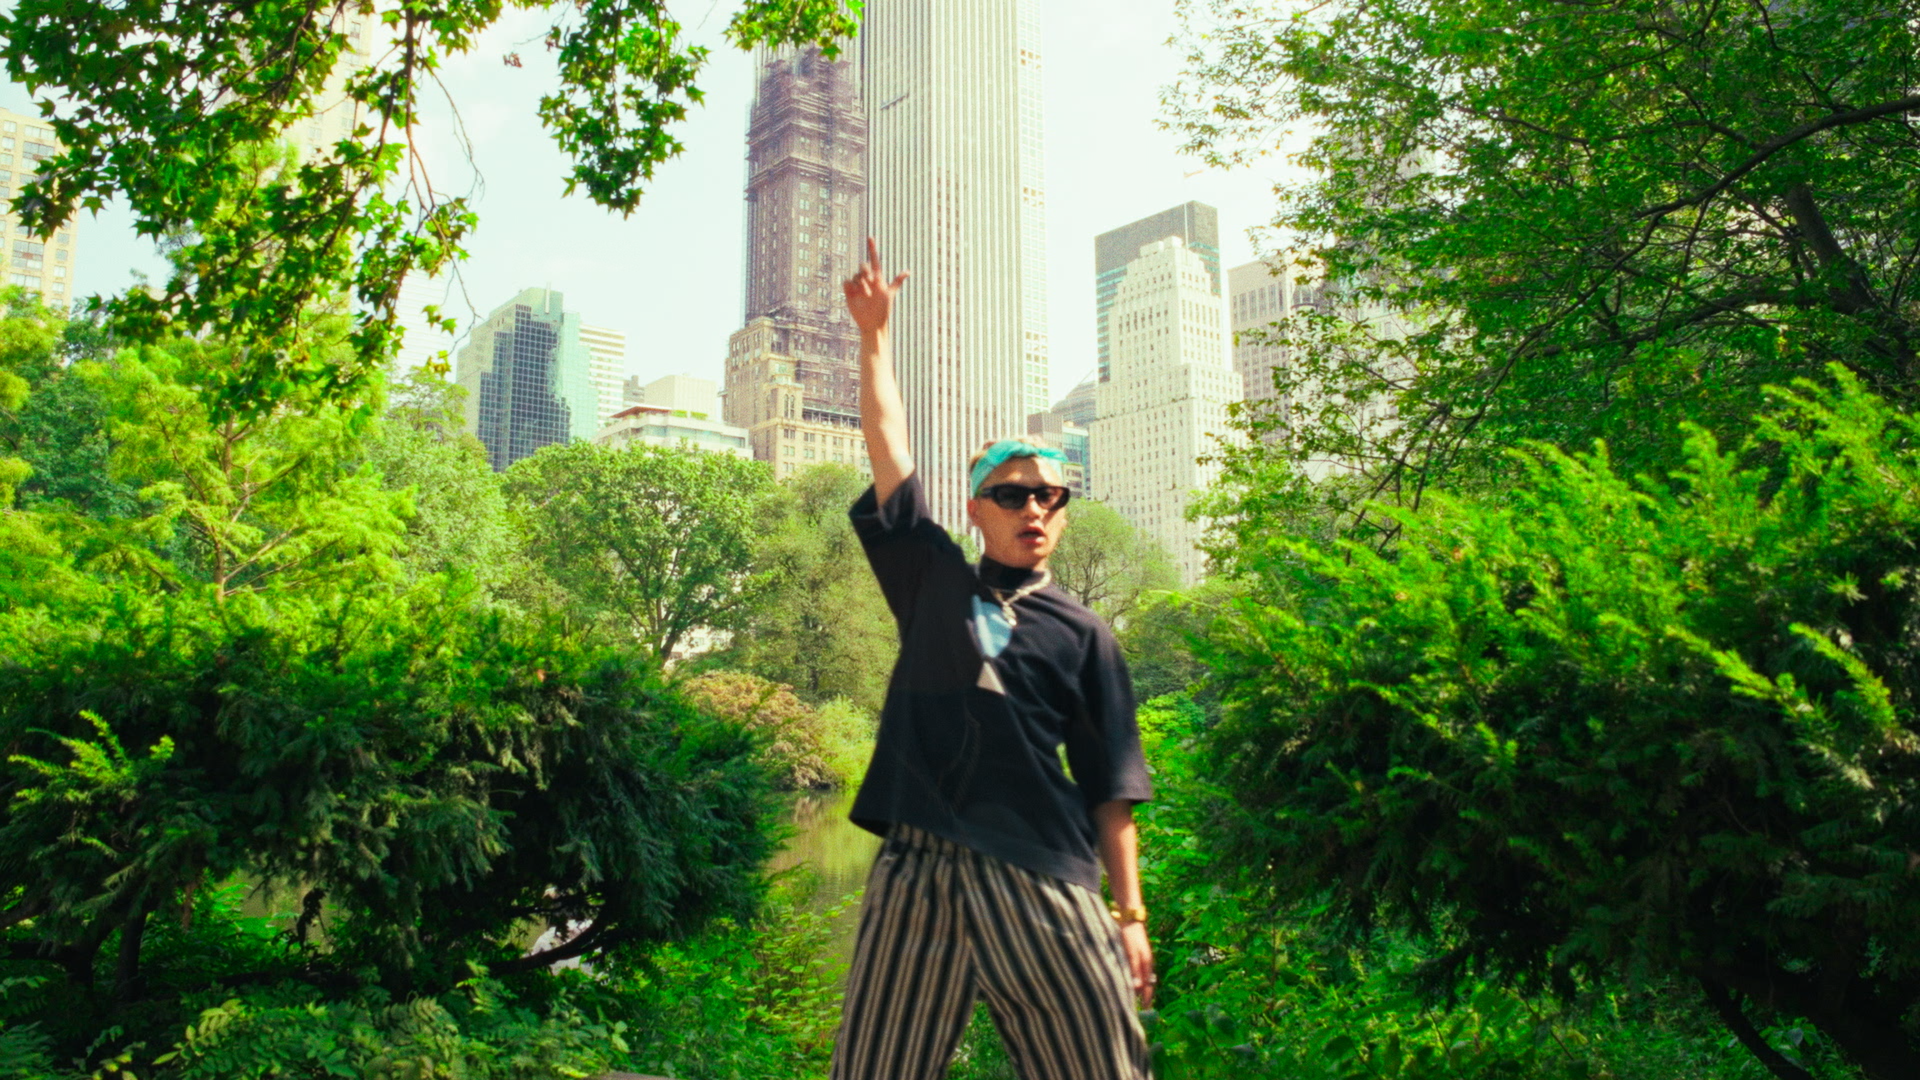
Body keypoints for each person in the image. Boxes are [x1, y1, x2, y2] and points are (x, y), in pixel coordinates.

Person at [829, 238, 1154, 1080]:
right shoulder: (932, 579)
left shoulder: (1086, 635)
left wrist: (1130, 915)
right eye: (1011, 494)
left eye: (1050, 495)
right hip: (919, 868)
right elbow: (887, 444)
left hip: (1045, 875)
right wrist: (873, 337)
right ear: (976, 508)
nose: (1033, 507)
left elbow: (1112, 785)